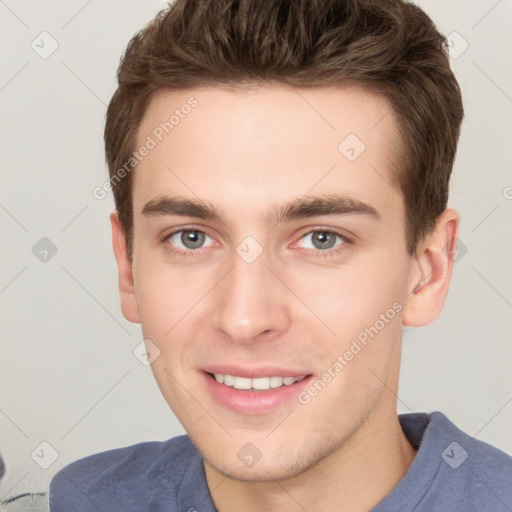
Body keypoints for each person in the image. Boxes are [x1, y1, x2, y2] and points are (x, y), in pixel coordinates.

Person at [49, 0, 512, 510]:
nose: (244, 318)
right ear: (129, 266)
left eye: (321, 239)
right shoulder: (84, 498)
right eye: (191, 237)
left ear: (427, 272)